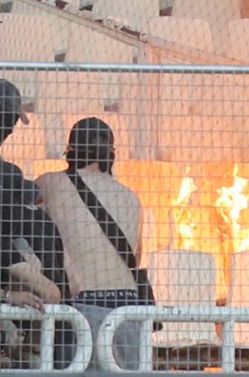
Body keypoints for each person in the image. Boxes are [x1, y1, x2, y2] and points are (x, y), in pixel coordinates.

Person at [37, 118, 148, 372]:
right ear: (111, 155)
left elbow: (32, 230)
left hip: (84, 302)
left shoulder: (50, 183)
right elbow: (137, 257)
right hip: (130, 306)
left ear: (71, 151)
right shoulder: (130, 196)